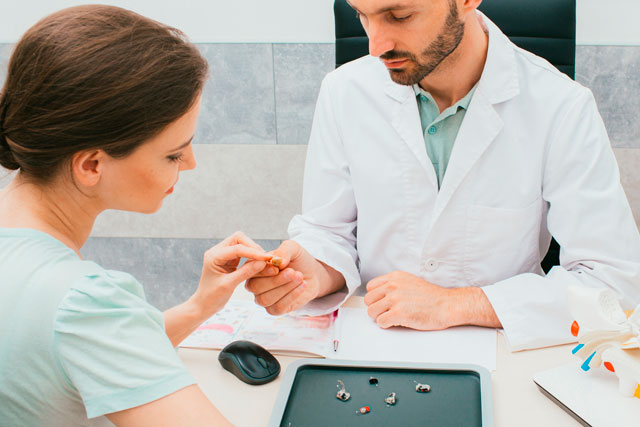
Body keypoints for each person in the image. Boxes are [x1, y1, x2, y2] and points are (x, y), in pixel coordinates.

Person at [245, 0, 640, 351]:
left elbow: (613, 284)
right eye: (362, 16)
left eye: (399, 15)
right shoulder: (344, 91)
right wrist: (311, 273)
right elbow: (329, 233)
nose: (375, 45)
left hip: (502, 352)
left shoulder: (561, 106)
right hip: (375, 342)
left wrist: (456, 304)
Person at [0, 6, 275, 426]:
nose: (190, 163)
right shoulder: (84, 302)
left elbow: (77, 352)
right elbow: (85, 329)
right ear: (91, 165)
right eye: (173, 154)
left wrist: (199, 306)